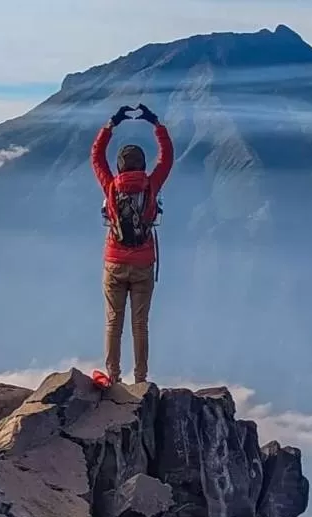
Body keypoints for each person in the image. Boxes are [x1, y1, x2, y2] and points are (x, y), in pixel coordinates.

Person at [91, 103, 174, 385]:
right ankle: (140, 379)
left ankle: (112, 378)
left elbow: (96, 157)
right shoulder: (152, 185)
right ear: (142, 165)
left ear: (120, 166)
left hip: (114, 262)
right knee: (140, 325)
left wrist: (111, 124)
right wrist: (156, 123)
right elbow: (168, 158)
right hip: (143, 263)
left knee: (114, 323)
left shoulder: (111, 186)